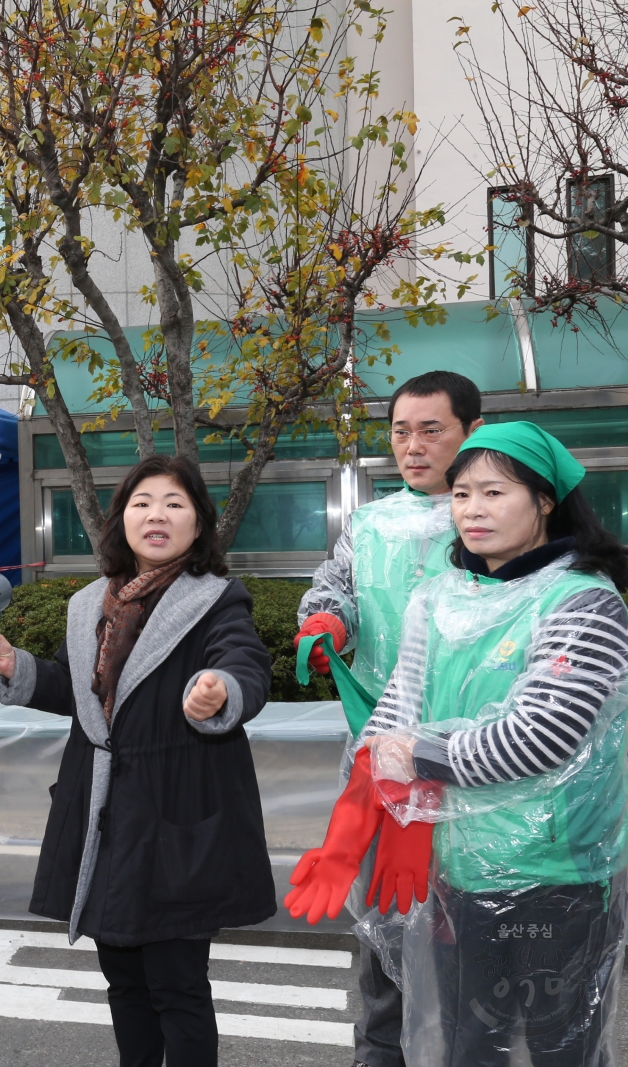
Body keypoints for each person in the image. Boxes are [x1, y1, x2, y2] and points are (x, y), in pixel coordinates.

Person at [339, 422, 628, 1067]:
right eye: (462, 494)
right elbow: (399, 703)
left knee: (561, 1048)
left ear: (544, 500)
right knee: (472, 1045)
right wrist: (372, 775)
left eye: (494, 493)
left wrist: (413, 754)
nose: (472, 510)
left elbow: (542, 736)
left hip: (557, 874)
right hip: (457, 868)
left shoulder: (580, 601)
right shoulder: (441, 596)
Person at [0, 454, 275, 1067]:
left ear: (199, 523)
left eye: (174, 503)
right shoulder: (91, 603)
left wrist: (221, 688)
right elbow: (91, 702)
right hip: (105, 817)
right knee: (122, 978)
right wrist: (19, 672)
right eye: (142, 503)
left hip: (175, 815)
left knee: (177, 984)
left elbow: (244, 661)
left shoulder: (217, 599)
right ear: (122, 520)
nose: (157, 515)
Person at [292, 370, 483, 1067]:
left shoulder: (501, 517)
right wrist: (326, 623)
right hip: (382, 756)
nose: (413, 445)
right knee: (384, 932)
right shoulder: (369, 525)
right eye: (401, 430)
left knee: (471, 935)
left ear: (472, 433)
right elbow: (335, 588)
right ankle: (381, 1056)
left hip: (480, 763)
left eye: (431, 428)